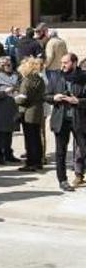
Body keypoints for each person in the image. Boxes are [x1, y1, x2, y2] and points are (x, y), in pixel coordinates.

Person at [44, 54, 86, 191]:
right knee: (60, 152)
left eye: (66, 63)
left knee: (84, 149)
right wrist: (54, 97)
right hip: (61, 120)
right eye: (61, 62)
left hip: (79, 119)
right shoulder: (56, 76)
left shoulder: (83, 77)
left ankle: (80, 175)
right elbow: (46, 96)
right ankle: (62, 180)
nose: (62, 65)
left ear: (74, 63)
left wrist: (78, 101)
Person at [0, 57, 21, 165]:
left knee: (10, 131)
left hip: (13, 106)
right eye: (6, 65)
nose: (9, 66)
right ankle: (0, 154)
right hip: (2, 107)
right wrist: (4, 92)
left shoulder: (16, 75)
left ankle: (8, 153)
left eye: (10, 64)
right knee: (1, 132)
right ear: (1, 66)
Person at [15, 57, 46, 172]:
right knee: (36, 137)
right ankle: (38, 161)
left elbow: (23, 98)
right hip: (38, 109)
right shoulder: (39, 79)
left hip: (28, 112)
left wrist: (15, 98)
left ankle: (31, 162)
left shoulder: (27, 80)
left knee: (30, 138)